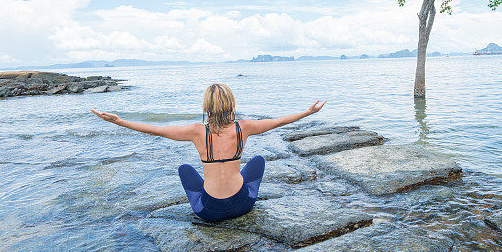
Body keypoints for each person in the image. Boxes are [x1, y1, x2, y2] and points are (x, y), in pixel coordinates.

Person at [91, 83, 326, 222]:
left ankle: (212, 193)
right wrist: (307, 113)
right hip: (243, 204)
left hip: (210, 212)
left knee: (185, 170)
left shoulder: (196, 132)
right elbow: (277, 121)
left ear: (207, 107)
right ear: (231, 104)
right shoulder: (243, 127)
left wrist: (120, 121)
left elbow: (158, 130)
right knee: (257, 161)